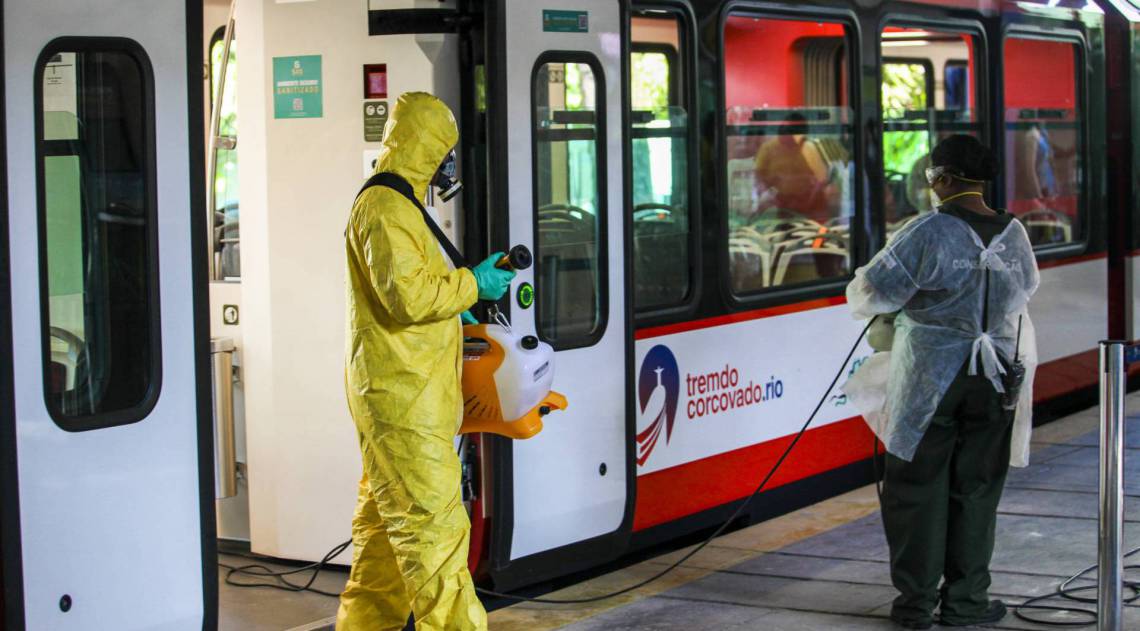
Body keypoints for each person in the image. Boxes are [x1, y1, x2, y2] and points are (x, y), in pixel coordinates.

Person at [843, 135, 1039, 629]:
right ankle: (967, 602)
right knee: (977, 489)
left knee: (916, 487)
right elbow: (1025, 290)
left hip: (930, 381)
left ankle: (915, 605)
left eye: (933, 177)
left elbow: (871, 292)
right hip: (996, 378)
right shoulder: (1014, 233)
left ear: (944, 178)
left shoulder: (928, 230)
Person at [338, 92, 514, 631]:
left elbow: (416, 292)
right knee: (436, 535)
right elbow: (408, 298)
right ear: (427, 150)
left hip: (409, 395)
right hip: (402, 400)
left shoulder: (405, 204)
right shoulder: (386, 209)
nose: (448, 167)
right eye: (445, 153)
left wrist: (460, 311)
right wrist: (472, 285)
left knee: (384, 549)